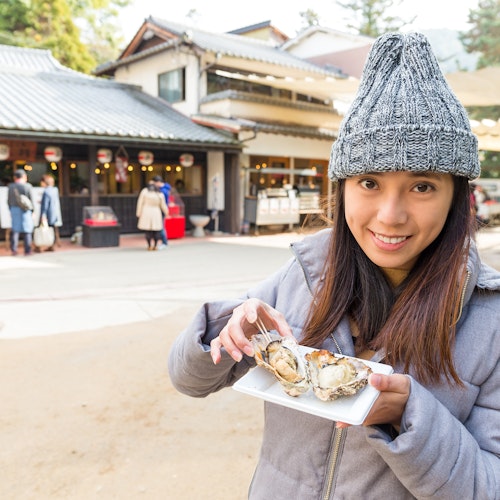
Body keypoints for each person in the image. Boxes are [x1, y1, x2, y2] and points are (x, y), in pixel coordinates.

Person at [168, 33, 500, 499]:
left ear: (457, 198)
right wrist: (225, 328)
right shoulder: (306, 272)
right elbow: (188, 380)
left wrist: (409, 418)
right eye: (369, 182)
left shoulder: (491, 321)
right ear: (341, 188)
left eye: (422, 186)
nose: (390, 215)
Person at [7, 169, 34, 256]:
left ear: (15, 177)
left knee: (15, 230)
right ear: (24, 177)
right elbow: (31, 200)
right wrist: (33, 211)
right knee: (27, 230)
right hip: (26, 210)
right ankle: (27, 250)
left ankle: (14, 250)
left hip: (14, 209)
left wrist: (10, 210)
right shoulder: (28, 186)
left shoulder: (11, 186)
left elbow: (8, 200)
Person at [136, 181, 169, 251]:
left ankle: (149, 245)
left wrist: (138, 213)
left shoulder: (144, 192)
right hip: (156, 213)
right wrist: (167, 213)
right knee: (156, 230)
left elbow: (140, 202)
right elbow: (163, 205)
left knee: (148, 231)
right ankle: (155, 245)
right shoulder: (159, 193)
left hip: (146, 212)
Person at [35, 174, 62, 252]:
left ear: (44, 182)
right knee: (52, 229)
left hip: (47, 214)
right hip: (54, 214)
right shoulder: (54, 190)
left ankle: (40, 246)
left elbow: (45, 205)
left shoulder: (46, 192)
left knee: (42, 229)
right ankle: (51, 246)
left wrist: (43, 215)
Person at [153, 175, 171, 249]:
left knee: (161, 226)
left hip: (161, 210)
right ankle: (163, 241)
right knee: (161, 226)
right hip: (163, 209)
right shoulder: (166, 188)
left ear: (158, 182)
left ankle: (164, 242)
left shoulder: (163, 191)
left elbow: (164, 203)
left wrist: (166, 211)